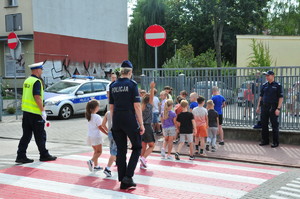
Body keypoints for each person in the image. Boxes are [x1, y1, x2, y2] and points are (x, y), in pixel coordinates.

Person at [109, 60, 145, 190]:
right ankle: (128, 177)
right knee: (137, 147)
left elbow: (111, 107)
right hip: (129, 118)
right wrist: (141, 124)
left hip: (117, 119)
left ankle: (123, 180)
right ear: (130, 72)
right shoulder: (132, 84)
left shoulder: (113, 85)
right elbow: (137, 106)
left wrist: (113, 123)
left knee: (121, 150)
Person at [16, 62, 57, 164]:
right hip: (35, 113)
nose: (42, 71)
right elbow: (37, 97)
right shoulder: (36, 81)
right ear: (37, 70)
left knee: (26, 135)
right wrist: (43, 111)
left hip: (26, 113)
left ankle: (20, 156)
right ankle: (44, 155)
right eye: (41, 69)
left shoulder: (27, 80)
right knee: (40, 135)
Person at [257, 70, 283, 148]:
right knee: (264, 124)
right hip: (264, 107)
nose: (266, 77)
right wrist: (258, 106)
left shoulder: (278, 85)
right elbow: (261, 96)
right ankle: (265, 140)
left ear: (273, 76)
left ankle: (275, 142)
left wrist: (278, 108)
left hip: (273, 107)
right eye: (266, 76)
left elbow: (281, 98)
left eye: (268, 75)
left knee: (274, 125)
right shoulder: (264, 85)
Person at [86, 100, 108, 172]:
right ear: (95, 108)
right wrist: (107, 133)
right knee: (99, 152)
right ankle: (91, 161)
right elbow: (100, 127)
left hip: (90, 136)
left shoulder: (88, 115)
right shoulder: (97, 116)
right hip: (96, 136)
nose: (99, 107)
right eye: (98, 106)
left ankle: (96, 165)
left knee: (95, 151)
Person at [140, 81, 156, 169]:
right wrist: (152, 88)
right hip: (147, 126)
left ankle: (142, 162)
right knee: (152, 145)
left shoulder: (140, 107)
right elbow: (152, 97)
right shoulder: (149, 106)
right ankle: (143, 158)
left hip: (141, 127)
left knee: (143, 145)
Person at [101, 110, 117, 177]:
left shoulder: (108, 112)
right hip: (117, 133)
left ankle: (117, 161)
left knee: (113, 149)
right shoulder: (118, 112)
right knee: (114, 151)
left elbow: (103, 124)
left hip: (110, 133)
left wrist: (108, 131)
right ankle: (107, 168)